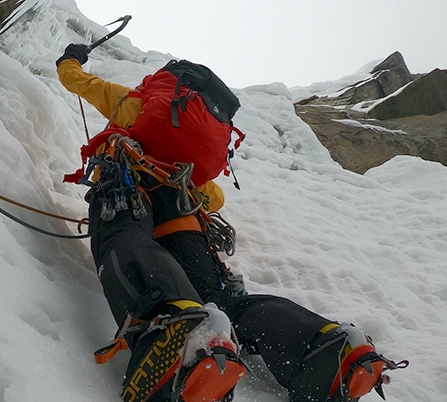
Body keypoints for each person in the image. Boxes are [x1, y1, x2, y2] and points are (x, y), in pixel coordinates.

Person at [56, 44, 404, 402]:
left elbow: (74, 80)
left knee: (123, 236)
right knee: (218, 297)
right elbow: (214, 198)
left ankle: (181, 339)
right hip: (182, 206)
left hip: (126, 182)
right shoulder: (192, 143)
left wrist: (70, 58)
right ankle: (326, 348)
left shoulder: (133, 103)